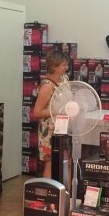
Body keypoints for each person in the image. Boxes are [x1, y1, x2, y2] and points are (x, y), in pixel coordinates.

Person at [34, 50, 70, 178]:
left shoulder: (65, 79)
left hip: (64, 128)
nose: (66, 67)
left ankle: (65, 189)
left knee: (67, 161)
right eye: (63, 65)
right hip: (49, 132)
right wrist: (56, 111)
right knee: (50, 163)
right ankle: (47, 189)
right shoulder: (47, 86)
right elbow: (37, 112)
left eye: (66, 64)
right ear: (54, 66)